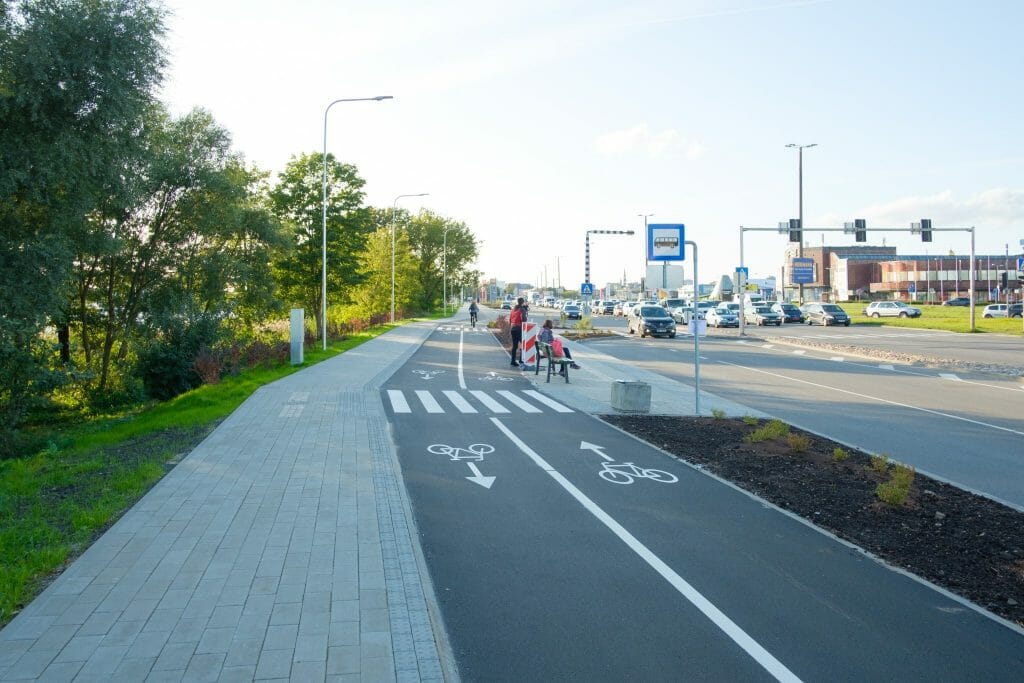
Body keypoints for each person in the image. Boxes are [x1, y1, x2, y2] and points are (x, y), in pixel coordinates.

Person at [508, 297, 528, 366]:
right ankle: (521, 360)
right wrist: (525, 312)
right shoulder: (522, 309)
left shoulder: (513, 310)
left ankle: (513, 361)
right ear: (522, 302)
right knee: (523, 344)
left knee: (515, 346)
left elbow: (510, 320)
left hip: (513, 329)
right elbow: (524, 320)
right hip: (519, 329)